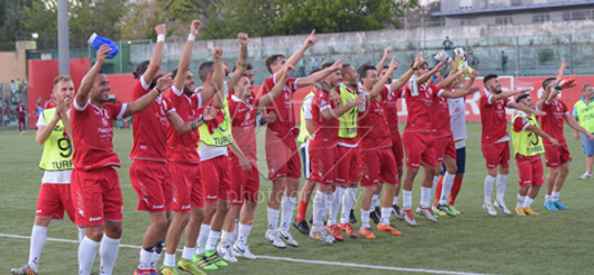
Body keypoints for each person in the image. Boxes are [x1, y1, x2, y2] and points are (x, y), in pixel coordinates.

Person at [70, 44, 167, 275]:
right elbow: (82, 90)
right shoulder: (81, 108)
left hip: (109, 174)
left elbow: (134, 107)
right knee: (95, 232)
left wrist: (156, 91)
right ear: (90, 85)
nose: (107, 87)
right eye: (102, 84)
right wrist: (99, 64)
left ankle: (106, 273)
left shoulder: (108, 110)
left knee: (114, 229)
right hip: (88, 176)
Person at [259, 30, 345, 248]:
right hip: (276, 140)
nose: (287, 65)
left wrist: (332, 69)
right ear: (273, 68)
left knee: (293, 185)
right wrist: (306, 45)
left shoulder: (289, 84)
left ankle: (285, 229)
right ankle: (271, 230)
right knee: (278, 187)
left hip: (290, 139)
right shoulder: (271, 82)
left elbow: (313, 79)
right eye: (281, 62)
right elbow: (289, 65)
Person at [159, 20, 215, 275]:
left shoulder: (193, 98)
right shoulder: (175, 95)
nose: (191, 80)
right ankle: (168, 264)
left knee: (200, 213)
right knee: (180, 215)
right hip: (177, 162)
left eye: (194, 78)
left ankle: (187, 258)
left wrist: (219, 62)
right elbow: (182, 128)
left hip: (193, 160)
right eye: (187, 78)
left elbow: (216, 85)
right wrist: (192, 35)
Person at [10, 76, 81, 275]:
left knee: (83, 224)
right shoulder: (47, 114)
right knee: (40, 220)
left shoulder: (80, 112)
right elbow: (40, 139)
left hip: (73, 177)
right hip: (50, 178)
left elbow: (76, 139)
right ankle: (32, 266)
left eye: (71, 89)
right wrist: (56, 117)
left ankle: (84, 269)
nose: (68, 92)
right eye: (64, 89)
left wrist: (65, 116)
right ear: (54, 94)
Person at [195, 34, 250, 264]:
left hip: (222, 154)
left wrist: (243, 46)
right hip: (205, 157)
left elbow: (240, 67)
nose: (228, 76)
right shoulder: (200, 96)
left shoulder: (223, 91)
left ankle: (210, 251)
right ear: (211, 76)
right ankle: (197, 252)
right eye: (221, 72)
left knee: (224, 205)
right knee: (209, 208)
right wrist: (217, 60)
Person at [400, 57, 464, 226]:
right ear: (415, 70)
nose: (424, 71)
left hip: (429, 135)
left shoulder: (430, 90)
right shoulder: (412, 85)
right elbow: (419, 79)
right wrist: (433, 71)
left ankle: (425, 205)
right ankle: (407, 208)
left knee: (433, 170)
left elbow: (445, 85)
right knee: (412, 172)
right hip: (414, 134)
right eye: (421, 68)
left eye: (426, 68)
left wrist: (458, 72)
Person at [129, 24, 171, 275]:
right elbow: (154, 66)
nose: (162, 73)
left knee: (169, 218)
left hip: (162, 164)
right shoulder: (140, 90)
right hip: (145, 164)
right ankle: (143, 267)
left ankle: (152, 264)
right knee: (160, 220)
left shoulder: (161, 101)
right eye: (156, 72)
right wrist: (161, 35)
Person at [479, 74, 540, 217]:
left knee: (505, 170)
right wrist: (518, 91)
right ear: (488, 85)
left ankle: (499, 200)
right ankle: (487, 202)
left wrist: (531, 110)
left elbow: (512, 104)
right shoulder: (485, 98)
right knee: (492, 173)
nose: (498, 83)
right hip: (490, 141)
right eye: (496, 82)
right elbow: (498, 98)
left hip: (503, 139)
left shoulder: (501, 98)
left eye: (498, 81)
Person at [306, 61, 354, 243]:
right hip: (321, 144)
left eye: (340, 75)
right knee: (324, 186)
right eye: (336, 74)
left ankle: (322, 226)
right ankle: (317, 228)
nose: (340, 78)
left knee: (331, 186)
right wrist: (350, 105)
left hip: (332, 143)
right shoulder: (321, 93)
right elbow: (326, 116)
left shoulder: (330, 91)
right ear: (326, 75)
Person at [356, 61, 402, 238]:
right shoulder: (361, 94)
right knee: (370, 186)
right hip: (369, 148)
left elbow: (395, 85)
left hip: (385, 146)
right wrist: (389, 69)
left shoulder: (379, 93)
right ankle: (365, 224)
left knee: (392, 181)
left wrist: (412, 70)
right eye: (373, 76)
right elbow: (373, 92)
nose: (376, 79)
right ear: (362, 79)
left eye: (377, 76)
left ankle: (385, 221)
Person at [539, 72, 592, 212]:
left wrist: (585, 132)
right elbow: (549, 97)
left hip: (561, 141)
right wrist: (560, 86)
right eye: (553, 85)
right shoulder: (546, 103)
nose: (556, 87)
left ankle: (556, 198)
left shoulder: (560, 104)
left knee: (565, 169)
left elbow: (571, 121)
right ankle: (547, 199)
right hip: (550, 141)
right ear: (547, 89)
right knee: (554, 171)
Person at [432, 70, 478, 217]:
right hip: (447, 139)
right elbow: (462, 91)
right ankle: (436, 203)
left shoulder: (458, 95)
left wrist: (472, 79)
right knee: (444, 171)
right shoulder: (443, 95)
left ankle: (449, 203)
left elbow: (465, 92)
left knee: (459, 172)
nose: (458, 81)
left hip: (460, 138)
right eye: (456, 79)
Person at [511, 94, 559, 216]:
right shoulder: (517, 117)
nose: (531, 102)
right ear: (521, 104)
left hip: (535, 154)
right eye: (528, 101)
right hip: (523, 155)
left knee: (538, 183)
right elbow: (534, 129)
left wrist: (554, 86)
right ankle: (518, 207)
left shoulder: (531, 114)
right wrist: (550, 138)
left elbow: (543, 99)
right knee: (526, 183)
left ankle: (526, 206)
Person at [573, 84, 594, 180]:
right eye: (589, 90)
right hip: (586, 133)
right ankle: (589, 173)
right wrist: (576, 132)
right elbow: (575, 119)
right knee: (589, 153)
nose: (592, 92)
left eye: (592, 90)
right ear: (584, 92)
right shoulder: (577, 105)